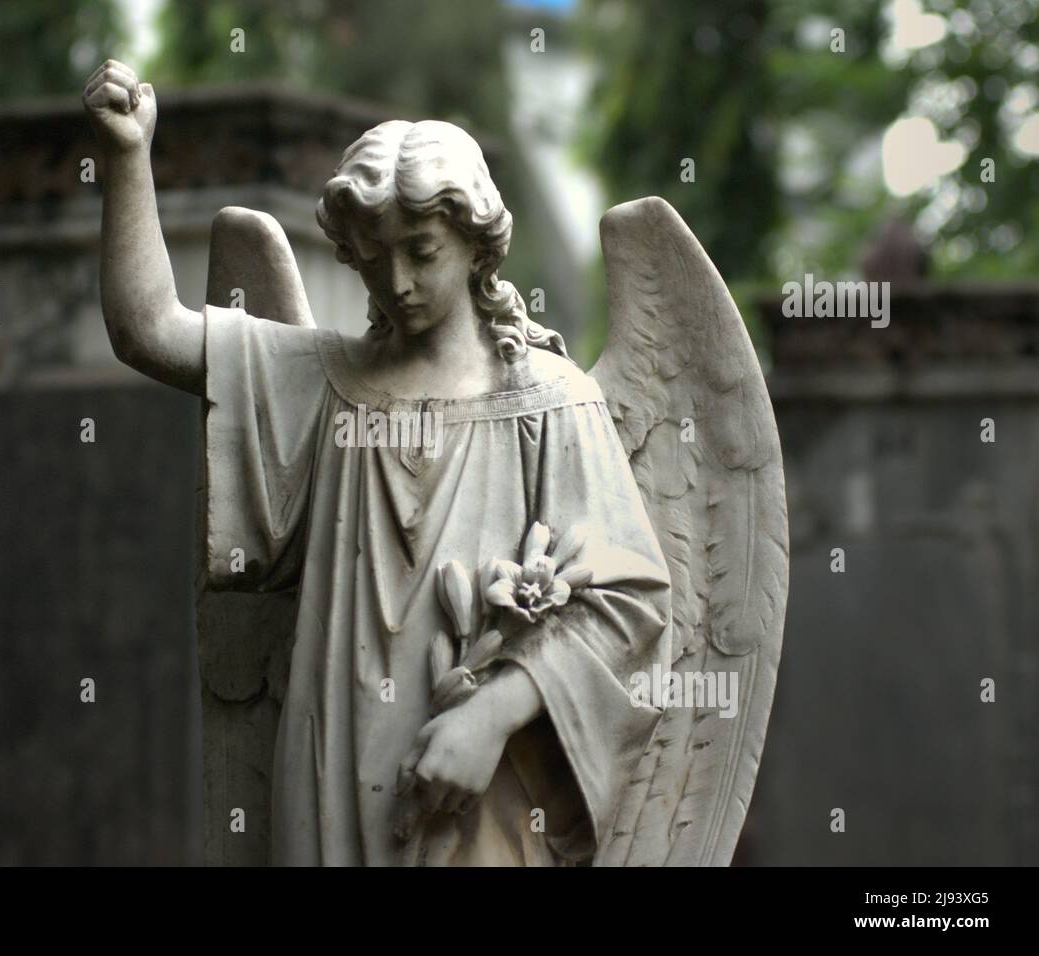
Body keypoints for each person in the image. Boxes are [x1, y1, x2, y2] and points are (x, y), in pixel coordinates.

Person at [84, 59, 672, 866]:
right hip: (327, 764)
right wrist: (126, 160)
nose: (397, 281)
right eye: (372, 255)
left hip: (479, 791)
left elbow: (632, 602)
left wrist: (494, 712)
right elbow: (147, 327)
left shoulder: (550, 401)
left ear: (474, 243)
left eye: (422, 251)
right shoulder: (319, 380)